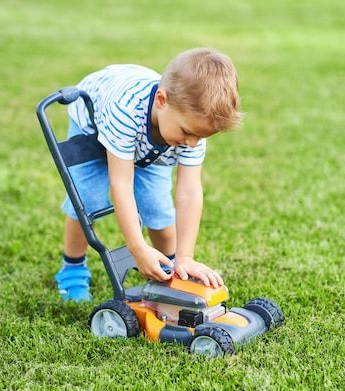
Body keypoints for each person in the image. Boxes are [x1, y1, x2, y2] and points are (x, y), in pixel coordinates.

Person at [54, 47, 243, 302]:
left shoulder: (191, 130)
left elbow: (189, 191)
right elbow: (121, 183)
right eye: (188, 133)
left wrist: (186, 256)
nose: (193, 143)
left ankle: (173, 268)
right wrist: (137, 247)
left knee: (158, 210)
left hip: (150, 143)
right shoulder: (125, 109)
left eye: (201, 137)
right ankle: (73, 270)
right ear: (162, 101)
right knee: (88, 200)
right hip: (94, 124)